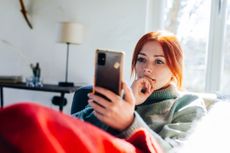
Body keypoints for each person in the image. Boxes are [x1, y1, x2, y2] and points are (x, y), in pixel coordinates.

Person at [72, 31, 207, 152]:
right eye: (141, 59)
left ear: (174, 69)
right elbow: (73, 129)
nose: (147, 68)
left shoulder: (188, 104)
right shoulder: (118, 96)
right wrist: (128, 100)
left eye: (159, 61)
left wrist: (129, 123)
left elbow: (174, 150)